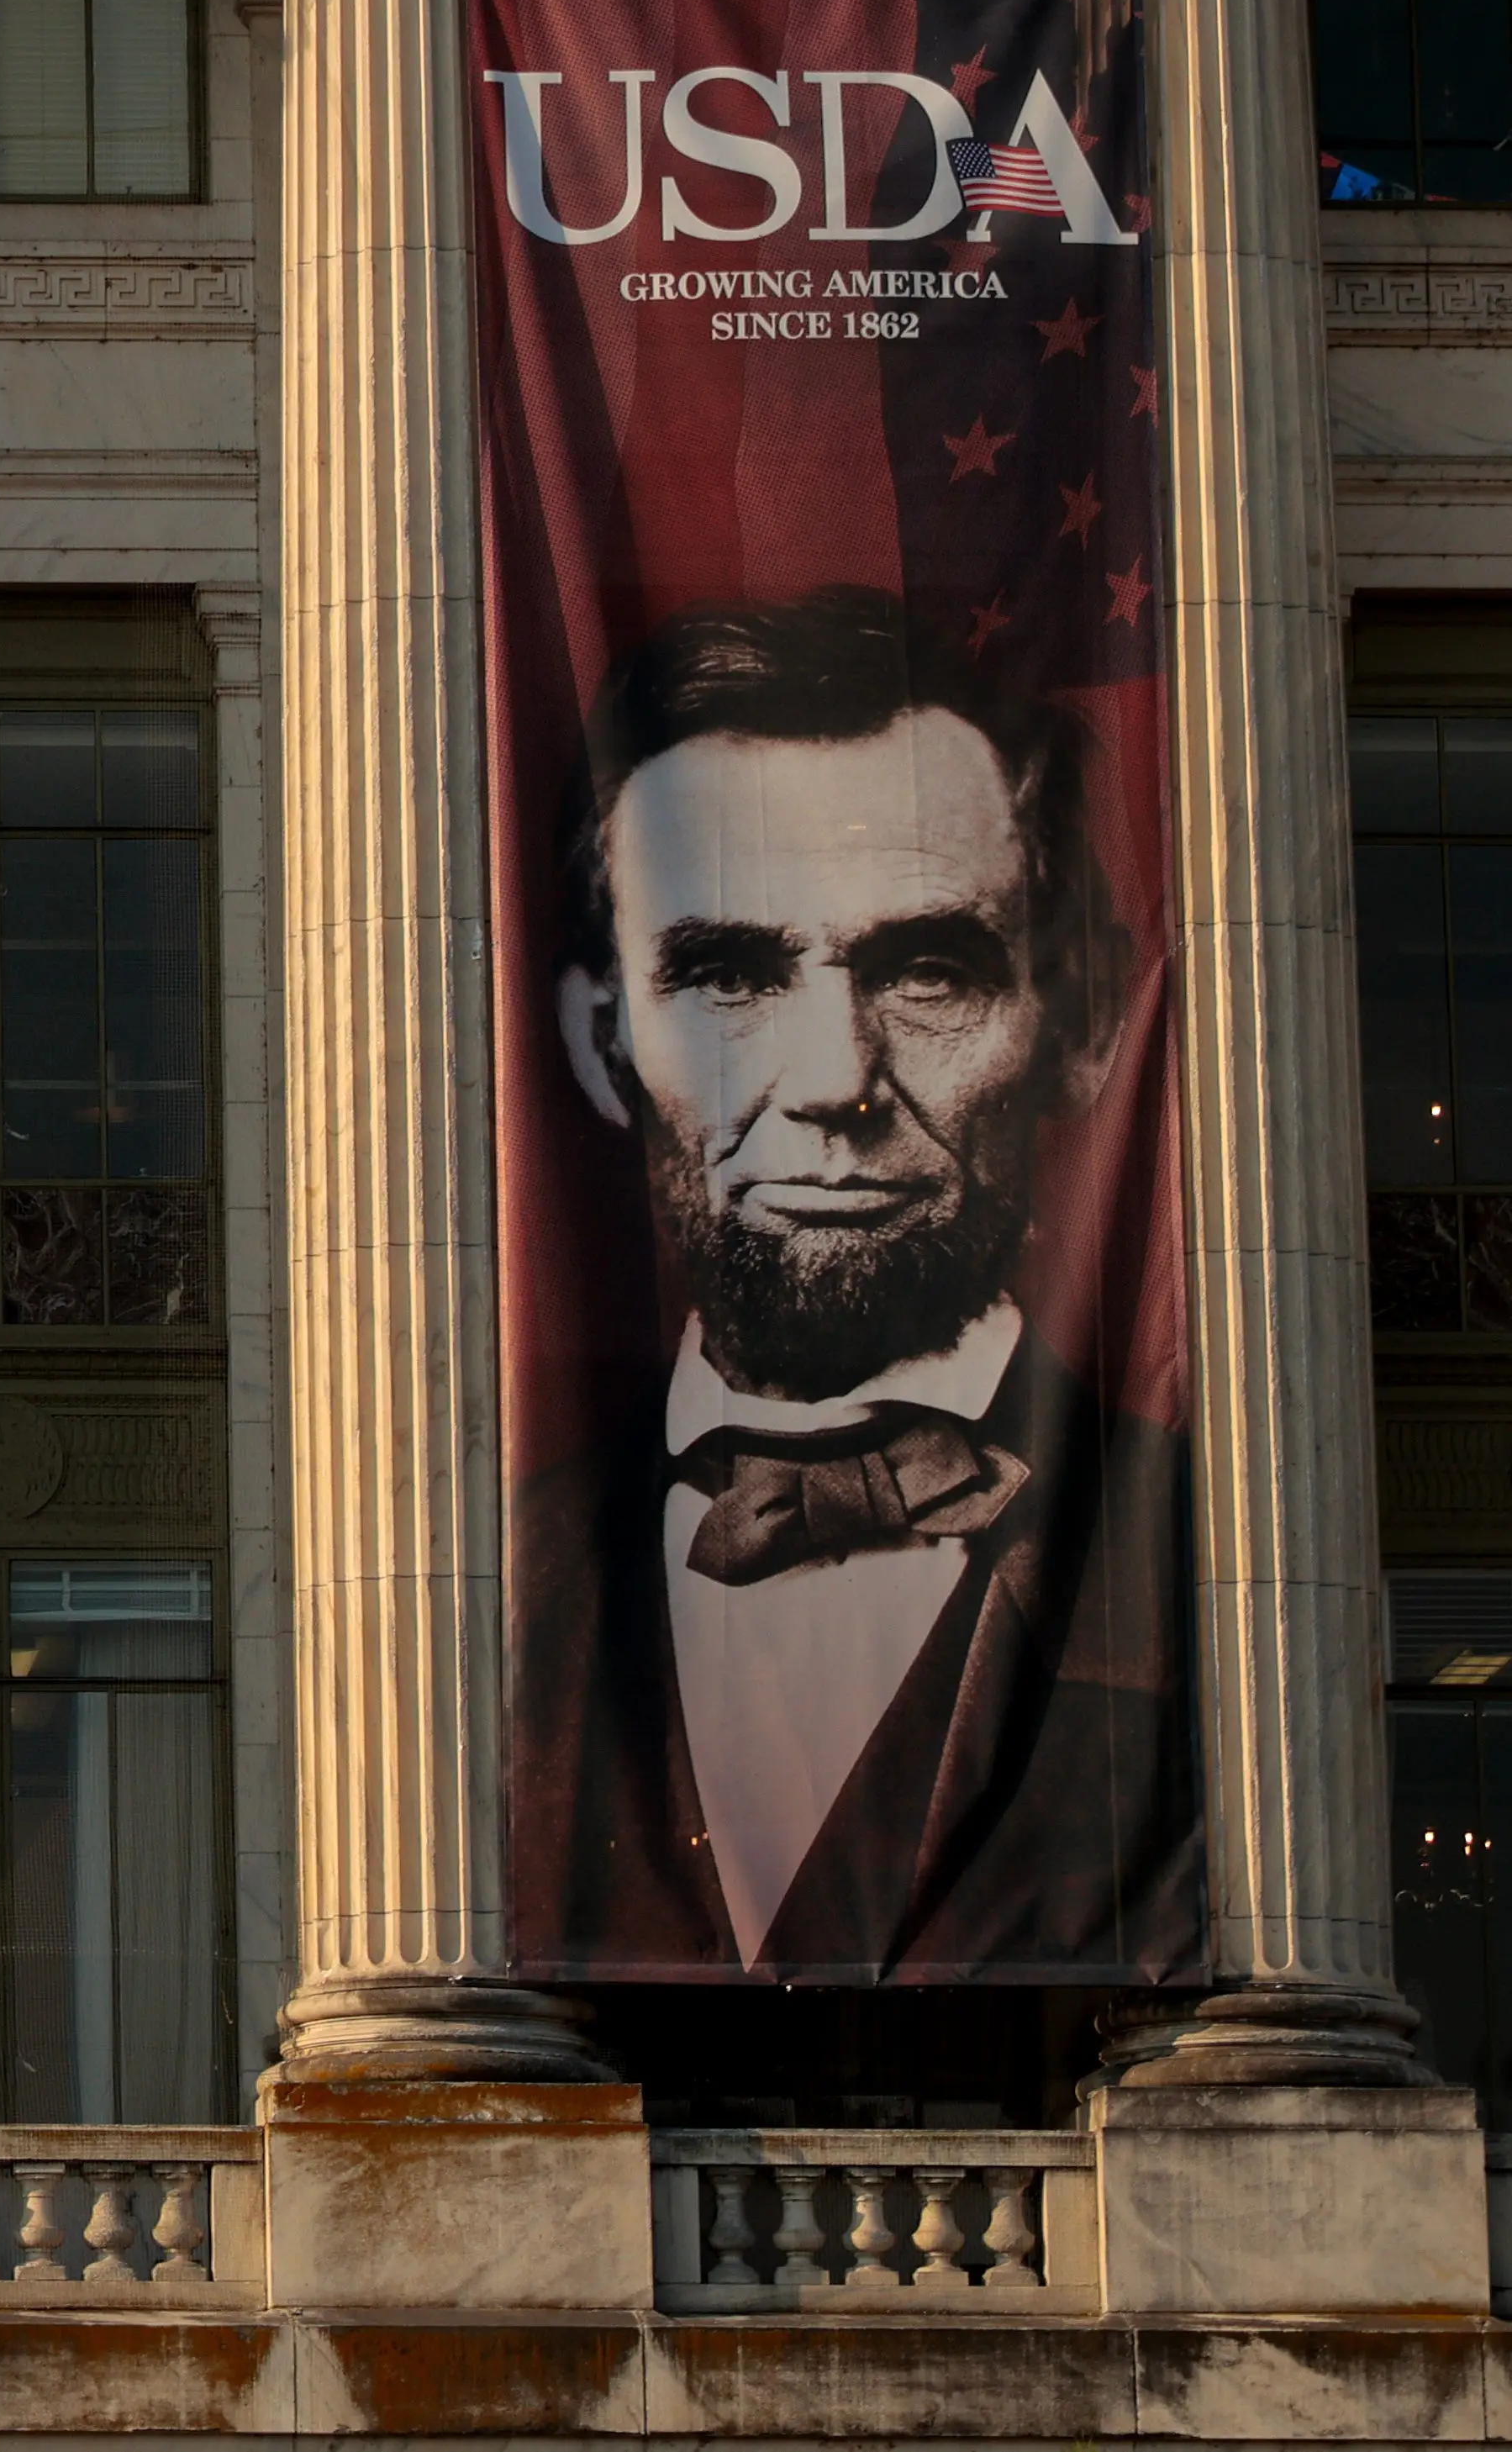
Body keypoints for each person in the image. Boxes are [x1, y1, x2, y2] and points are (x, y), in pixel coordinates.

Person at [506, 587, 1204, 1981]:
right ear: (599, 1046)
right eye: (726, 977)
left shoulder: (1213, 1560)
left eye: (929, 972)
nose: (833, 1082)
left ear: (1073, 1031)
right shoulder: (488, 1580)